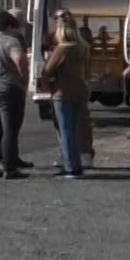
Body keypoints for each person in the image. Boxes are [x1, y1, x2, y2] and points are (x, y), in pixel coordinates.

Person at [38, 16, 89, 178]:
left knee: (65, 131)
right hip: (80, 90)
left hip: (63, 92)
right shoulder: (83, 47)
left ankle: (70, 167)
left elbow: (46, 71)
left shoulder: (62, 49)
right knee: (74, 130)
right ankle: (77, 164)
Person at [0, 11, 29, 179]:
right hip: (8, 87)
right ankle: (10, 168)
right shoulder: (10, 41)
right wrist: (25, 79)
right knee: (10, 130)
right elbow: (19, 59)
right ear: (10, 26)